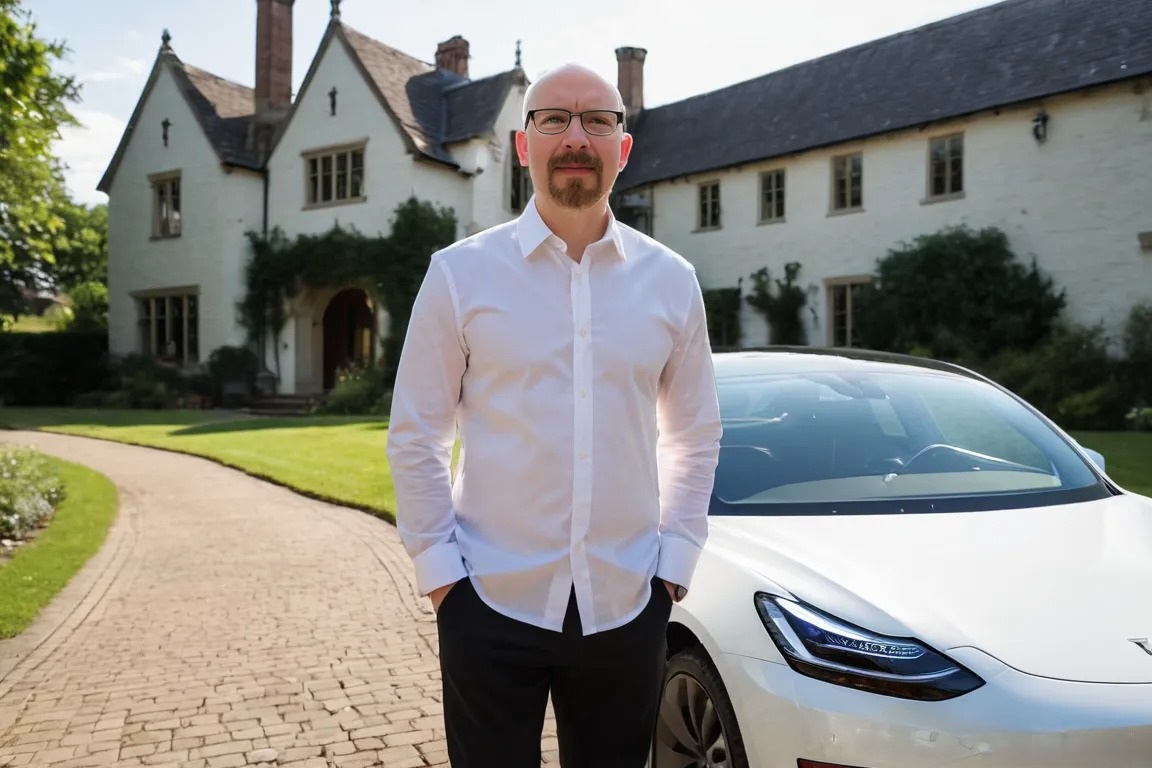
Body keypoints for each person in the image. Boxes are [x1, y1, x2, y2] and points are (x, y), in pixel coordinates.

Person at [386, 62, 722, 768]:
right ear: (523, 144)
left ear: (623, 148)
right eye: (555, 119)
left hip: (627, 606)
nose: (577, 136)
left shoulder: (672, 282)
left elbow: (694, 434)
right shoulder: (458, 275)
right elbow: (417, 434)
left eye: (599, 120)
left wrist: (673, 567)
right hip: (488, 603)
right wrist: (444, 579)